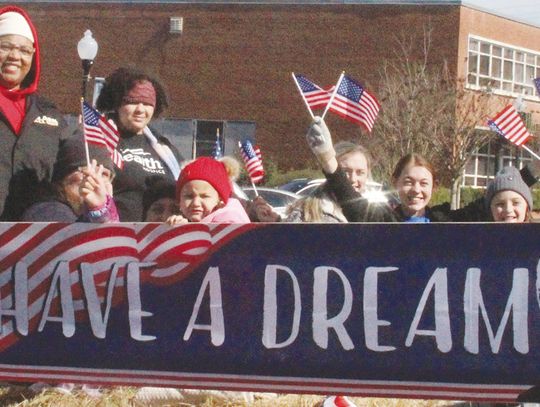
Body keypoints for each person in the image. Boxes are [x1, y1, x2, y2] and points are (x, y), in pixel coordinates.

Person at [306, 116, 538, 223]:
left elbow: (496, 195)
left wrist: (536, 168)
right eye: (408, 181)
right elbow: (349, 200)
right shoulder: (382, 220)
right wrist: (327, 157)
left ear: (433, 187)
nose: (416, 190)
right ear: (395, 181)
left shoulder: (446, 221)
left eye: (424, 183)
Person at [0, 6, 72, 220]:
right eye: (5, 47)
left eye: (23, 50)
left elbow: (67, 170)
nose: (14, 56)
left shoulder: (50, 114)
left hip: (32, 240)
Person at [96, 67, 183, 222]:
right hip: (114, 235)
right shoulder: (100, 140)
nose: (140, 110)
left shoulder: (165, 149)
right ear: (116, 103)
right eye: (133, 101)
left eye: (147, 103)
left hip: (161, 238)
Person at [21, 136, 118, 223]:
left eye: (104, 174)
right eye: (86, 172)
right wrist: (98, 212)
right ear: (63, 180)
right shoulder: (46, 213)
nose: (95, 179)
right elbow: (79, 238)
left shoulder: (109, 210)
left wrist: (104, 210)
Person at [286, 141, 376, 222]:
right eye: (345, 172)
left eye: (360, 172)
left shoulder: (373, 214)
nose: (353, 179)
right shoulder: (305, 212)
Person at [167, 156, 250, 224]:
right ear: (179, 201)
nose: (195, 203)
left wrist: (186, 232)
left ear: (220, 200)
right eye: (189, 196)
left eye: (204, 196)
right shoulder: (205, 220)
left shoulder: (228, 222)